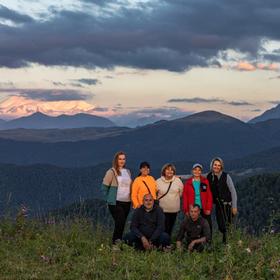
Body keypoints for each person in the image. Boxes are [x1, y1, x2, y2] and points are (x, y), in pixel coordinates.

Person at [101, 151, 132, 244]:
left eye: (123, 159)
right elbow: (104, 188)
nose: (122, 161)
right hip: (115, 202)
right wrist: (109, 199)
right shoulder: (111, 172)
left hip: (127, 202)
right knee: (120, 221)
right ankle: (115, 243)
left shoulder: (128, 172)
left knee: (121, 224)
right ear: (116, 160)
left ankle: (119, 242)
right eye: (120, 159)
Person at [207, 157, 238, 244]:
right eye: (215, 165)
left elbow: (233, 192)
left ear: (221, 167)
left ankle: (227, 244)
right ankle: (227, 243)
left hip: (227, 204)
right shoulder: (209, 176)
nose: (217, 167)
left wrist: (234, 207)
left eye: (219, 165)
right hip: (218, 205)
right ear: (212, 165)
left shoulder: (226, 176)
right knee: (221, 226)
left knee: (227, 226)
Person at [183, 163, 213, 237]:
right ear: (192, 171)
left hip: (203, 208)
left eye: (199, 170)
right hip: (192, 209)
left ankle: (208, 242)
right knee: (191, 226)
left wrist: (208, 208)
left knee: (208, 226)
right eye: (195, 170)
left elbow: (209, 195)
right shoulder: (188, 183)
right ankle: (190, 241)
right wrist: (186, 210)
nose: (197, 171)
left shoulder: (205, 181)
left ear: (201, 171)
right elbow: (185, 197)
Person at [156, 163, 184, 236]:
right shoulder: (158, 181)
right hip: (162, 210)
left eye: (172, 170)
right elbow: (154, 195)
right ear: (164, 171)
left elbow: (181, 194)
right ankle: (162, 244)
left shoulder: (178, 181)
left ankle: (167, 244)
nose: (170, 171)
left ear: (174, 172)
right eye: (168, 169)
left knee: (170, 228)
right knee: (162, 228)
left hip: (174, 210)